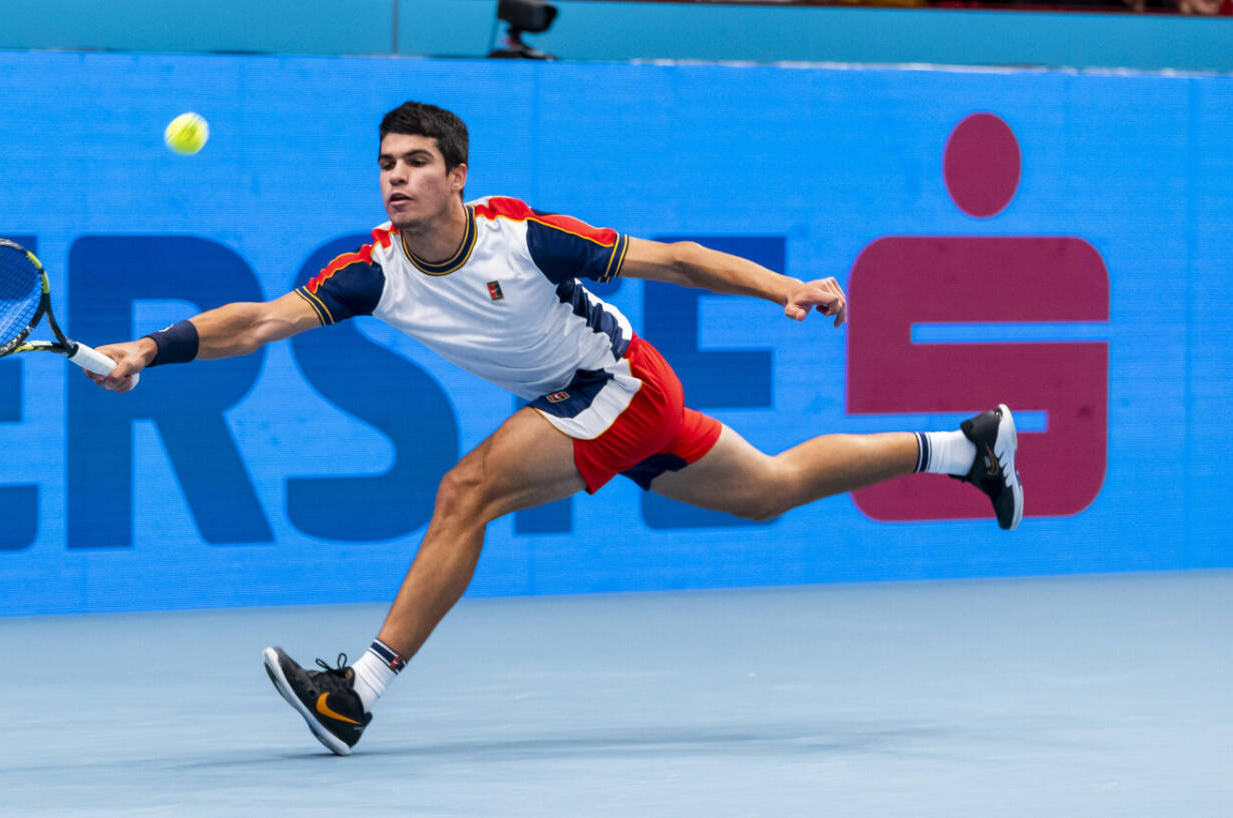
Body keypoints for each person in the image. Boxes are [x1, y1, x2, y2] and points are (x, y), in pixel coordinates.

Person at [88, 101, 1024, 756]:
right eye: (386, 164)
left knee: (467, 490)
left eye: (416, 163)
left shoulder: (522, 237)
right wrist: (150, 347)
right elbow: (256, 320)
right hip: (602, 406)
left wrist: (790, 288)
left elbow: (679, 261)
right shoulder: (375, 273)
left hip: (616, 384)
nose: (397, 180)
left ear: (458, 176)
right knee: (769, 491)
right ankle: (965, 447)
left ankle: (356, 694)